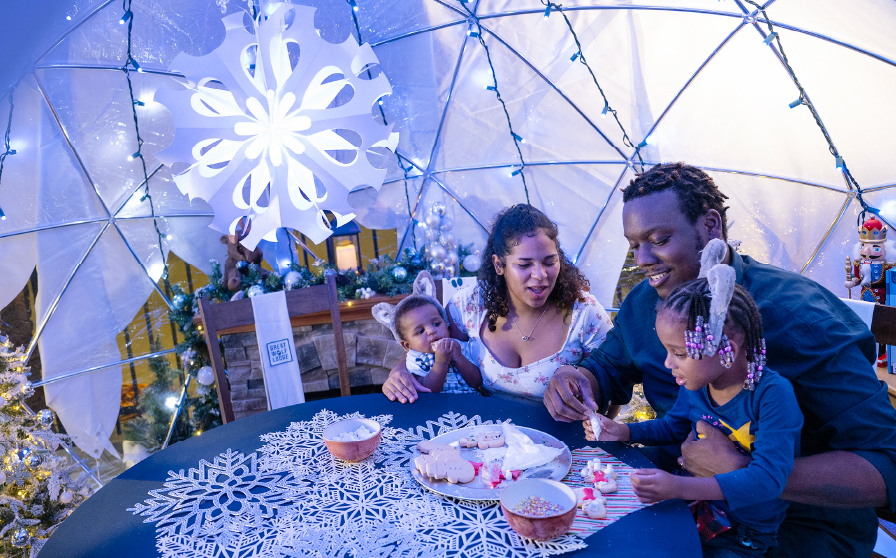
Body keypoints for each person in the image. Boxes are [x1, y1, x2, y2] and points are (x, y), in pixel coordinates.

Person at [545, 162, 896, 557]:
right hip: (678, 498)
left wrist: (742, 470)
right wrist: (576, 379)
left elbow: (885, 466)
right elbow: (607, 367)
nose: (641, 259)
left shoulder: (799, 318)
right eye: (633, 245)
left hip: (793, 527)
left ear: (711, 225)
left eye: (658, 239)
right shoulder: (647, 303)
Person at [588, 245, 802, 556]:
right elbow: (674, 427)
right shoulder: (699, 383)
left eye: (680, 353)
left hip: (742, 534)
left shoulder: (771, 396)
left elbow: (768, 480)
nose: (667, 364)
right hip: (691, 507)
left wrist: (678, 487)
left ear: (725, 346)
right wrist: (625, 432)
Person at [381, 204, 611, 404]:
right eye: (524, 265)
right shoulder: (469, 304)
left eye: (549, 261)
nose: (540, 275)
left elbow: (615, 381)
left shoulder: (585, 313)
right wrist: (400, 370)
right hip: (488, 440)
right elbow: (435, 342)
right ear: (499, 265)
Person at [371, 271, 482, 394]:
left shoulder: (459, 347)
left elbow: (477, 382)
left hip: (470, 404)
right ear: (407, 345)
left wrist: (459, 358)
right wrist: (441, 362)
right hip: (440, 408)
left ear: (447, 326)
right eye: (420, 331)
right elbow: (428, 390)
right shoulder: (416, 359)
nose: (431, 330)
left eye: (436, 324)